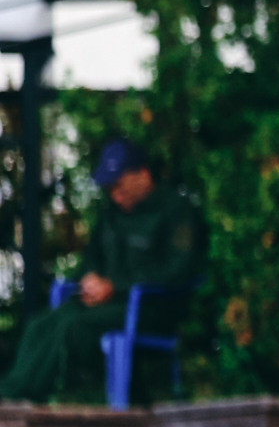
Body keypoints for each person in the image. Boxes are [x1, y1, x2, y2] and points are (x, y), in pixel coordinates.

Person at [2, 141, 200, 403]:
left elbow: (177, 271)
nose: (115, 194)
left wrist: (115, 286)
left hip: (148, 308)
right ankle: (11, 394)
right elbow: (92, 260)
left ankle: (20, 399)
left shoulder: (177, 211)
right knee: (39, 326)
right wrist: (90, 279)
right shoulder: (110, 215)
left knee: (73, 328)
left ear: (143, 175)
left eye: (119, 185)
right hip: (102, 305)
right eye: (111, 188)